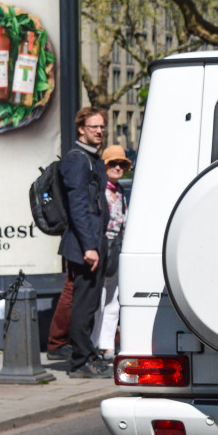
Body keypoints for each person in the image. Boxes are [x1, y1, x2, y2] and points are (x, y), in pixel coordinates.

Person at [59, 108, 110, 378]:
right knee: (84, 304)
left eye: (102, 127)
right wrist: (90, 247)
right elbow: (78, 207)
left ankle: (87, 355)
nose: (99, 132)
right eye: (93, 127)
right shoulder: (77, 161)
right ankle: (80, 362)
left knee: (90, 305)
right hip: (84, 245)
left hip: (94, 241)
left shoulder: (93, 159)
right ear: (81, 129)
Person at [92, 145, 130, 360]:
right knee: (97, 300)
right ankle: (93, 342)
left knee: (113, 300)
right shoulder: (99, 190)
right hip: (100, 248)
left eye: (121, 164)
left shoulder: (120, 191)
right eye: (113, 164)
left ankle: (107, 346)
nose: (117, 167)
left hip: (116, 249)